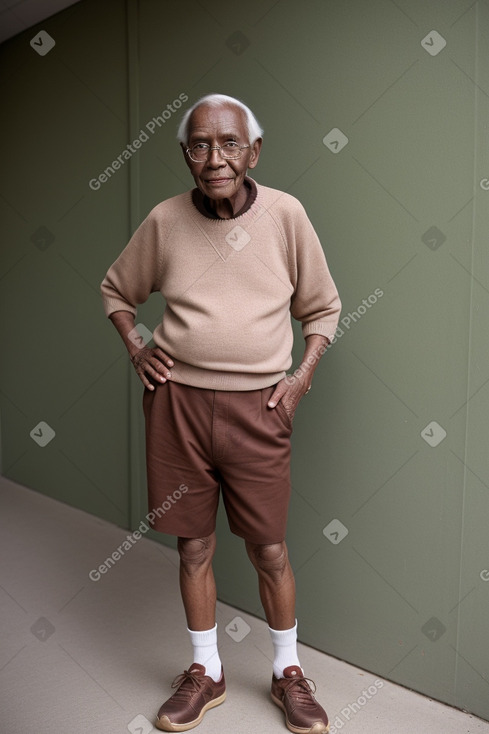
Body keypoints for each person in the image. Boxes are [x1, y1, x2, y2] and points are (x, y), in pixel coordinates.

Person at [101, 93, 341, 734]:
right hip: (176, 406)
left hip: (260, 409)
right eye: (201, 145)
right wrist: (136, 346)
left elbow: (323, 310)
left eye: (230, 143)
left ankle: (288, 672)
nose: (216, 158)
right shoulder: (164, 220)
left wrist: (299, 381)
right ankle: (206, 671)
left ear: (254, 151)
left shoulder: (286, 215)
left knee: (269, 550)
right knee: (193, 547)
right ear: (186, 154)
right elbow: (116, 291)